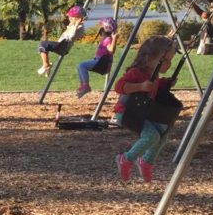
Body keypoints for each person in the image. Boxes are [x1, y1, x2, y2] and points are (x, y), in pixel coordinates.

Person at [113, 35, 178, 183]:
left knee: (162, 135)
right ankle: (126, 159)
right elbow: (119, 86)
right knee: (151, 136)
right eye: (165, 60)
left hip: (143, 112)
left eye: (170, 60)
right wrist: (139, 87)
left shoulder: (152, 75)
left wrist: (166, 82)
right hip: (127, 112)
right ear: (149, 59)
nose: (169, 64)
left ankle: (146, 162)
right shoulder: (136, 73)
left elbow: (155, 85)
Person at [37, 5, 86, 76]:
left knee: (43, 44)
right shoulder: (73, 24)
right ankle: (47, 65)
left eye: (71, 17)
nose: (69, 18)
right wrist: (72, 24)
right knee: (42, 47)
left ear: (77, 18)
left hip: (63, 46)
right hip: (61, 44)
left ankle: (46, 65)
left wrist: (75, 25)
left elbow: (71, 36)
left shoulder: (80, 27)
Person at [75, 17, 117, 98]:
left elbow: (111, 50)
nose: (98, 28)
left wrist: (114, 39)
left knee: (81, 66)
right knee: (80, 67)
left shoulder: (108, 39)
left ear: (103, 29)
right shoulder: (105, 39)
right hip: (100, 63)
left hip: (102, 64)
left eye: (100, 27)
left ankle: (86, 86)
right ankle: (83, 86)